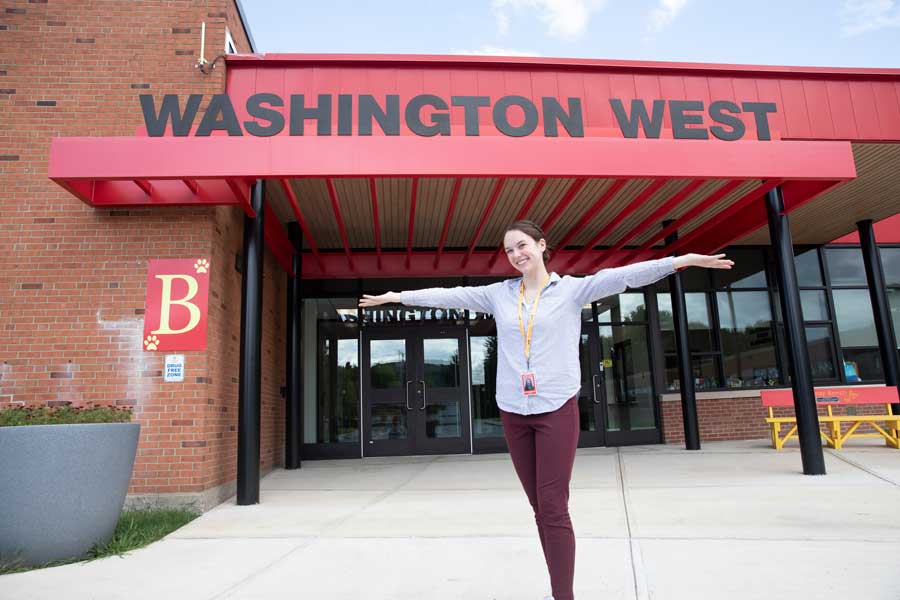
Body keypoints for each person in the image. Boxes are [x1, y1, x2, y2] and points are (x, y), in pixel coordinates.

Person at [359, 219, 734, 600]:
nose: (516, 255)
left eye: (522, 245)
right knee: (539, 507)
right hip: (512, 409)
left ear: (541, 245)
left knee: (553, 506)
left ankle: (563, 596)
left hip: (555, 407)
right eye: (509, 250)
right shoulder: (498, 294)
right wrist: (399, 297)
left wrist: (680, 260)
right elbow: (450, 294)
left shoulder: (572, 290)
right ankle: (558, 588)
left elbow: (624, 277)